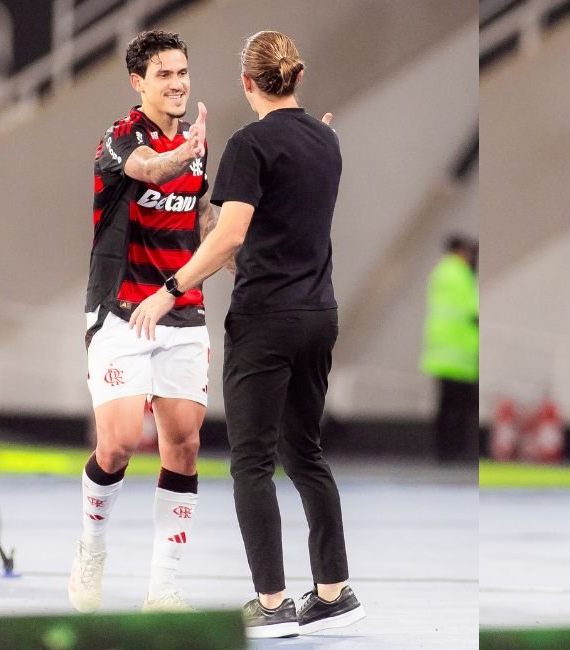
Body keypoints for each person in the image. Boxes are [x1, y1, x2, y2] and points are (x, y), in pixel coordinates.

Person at [129, 30, 365, 638]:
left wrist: (171, 288)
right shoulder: (327, 141)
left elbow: (230, 234)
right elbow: (286, 222)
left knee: (251, 462)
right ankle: (334, 592)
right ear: (298, 76)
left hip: (266, 318)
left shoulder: (248, 144)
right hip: (319, 314)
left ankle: (273, 602)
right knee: (305, 453)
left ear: (247, 83)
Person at [69, 29, 212, 613]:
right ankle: (91, 548)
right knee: (120, 444)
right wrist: (184, 152)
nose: (177, 84)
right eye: (164, 74)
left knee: (185, 446)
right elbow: (150, 170)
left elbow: (203, 218)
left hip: (183, 311)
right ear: (138, 82)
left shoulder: (198, 146)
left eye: (182, 72)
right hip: (121, 312)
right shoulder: (121, 136)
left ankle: (164, 587)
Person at [421, 234, 479, 463]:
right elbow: (472, 310)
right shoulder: (460, 273)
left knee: (445, 406)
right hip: (459, 352)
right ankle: (455, 452)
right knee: (459, 407)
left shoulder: (440, 272)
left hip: (442, 351)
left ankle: (443, 452)